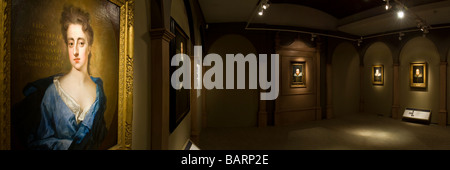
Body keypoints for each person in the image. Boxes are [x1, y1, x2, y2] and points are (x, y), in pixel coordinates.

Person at [24, 5, 107, 150]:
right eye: (70, 43)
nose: (75, 51)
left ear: (89, 47)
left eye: (81, 43)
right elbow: (40, 141)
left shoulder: (99, 92)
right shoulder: (52, 92)